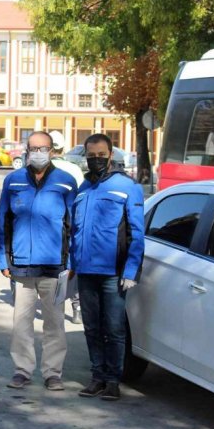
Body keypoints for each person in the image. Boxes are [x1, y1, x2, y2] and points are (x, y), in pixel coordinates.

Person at [0, 131, 77, 391]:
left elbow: (74, 225)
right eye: (33, 148)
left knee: (55, 323)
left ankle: (53, 373)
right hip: (21, 266)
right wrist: (2, 259)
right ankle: (22, 370)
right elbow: (3, 223)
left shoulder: (66, 182)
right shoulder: (13, 180)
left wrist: (72, 261)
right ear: (27, 151)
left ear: (52, 151)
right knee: (21, 323)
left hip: (55, 266)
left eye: (43, 148)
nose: (38, 153)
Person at [69, 133, 144, 401]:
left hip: (113, 272)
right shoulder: (83, 188)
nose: (96, 159)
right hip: (85, 271)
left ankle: (113, 380)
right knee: (91, 328)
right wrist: (72, 264)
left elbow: (137, 232)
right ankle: (97, 376)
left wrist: (131, 270)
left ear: (111, 155)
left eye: (101, 155)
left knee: (113, 329)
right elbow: (74, 230)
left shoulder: (127, 186)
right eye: (91, 156)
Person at [49, 130, 84, 324]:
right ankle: (76, 307)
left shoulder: (43, 168)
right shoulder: (74, 169)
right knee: (71, 266)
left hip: (50, 226)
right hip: (71, 224)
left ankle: (54, 306)